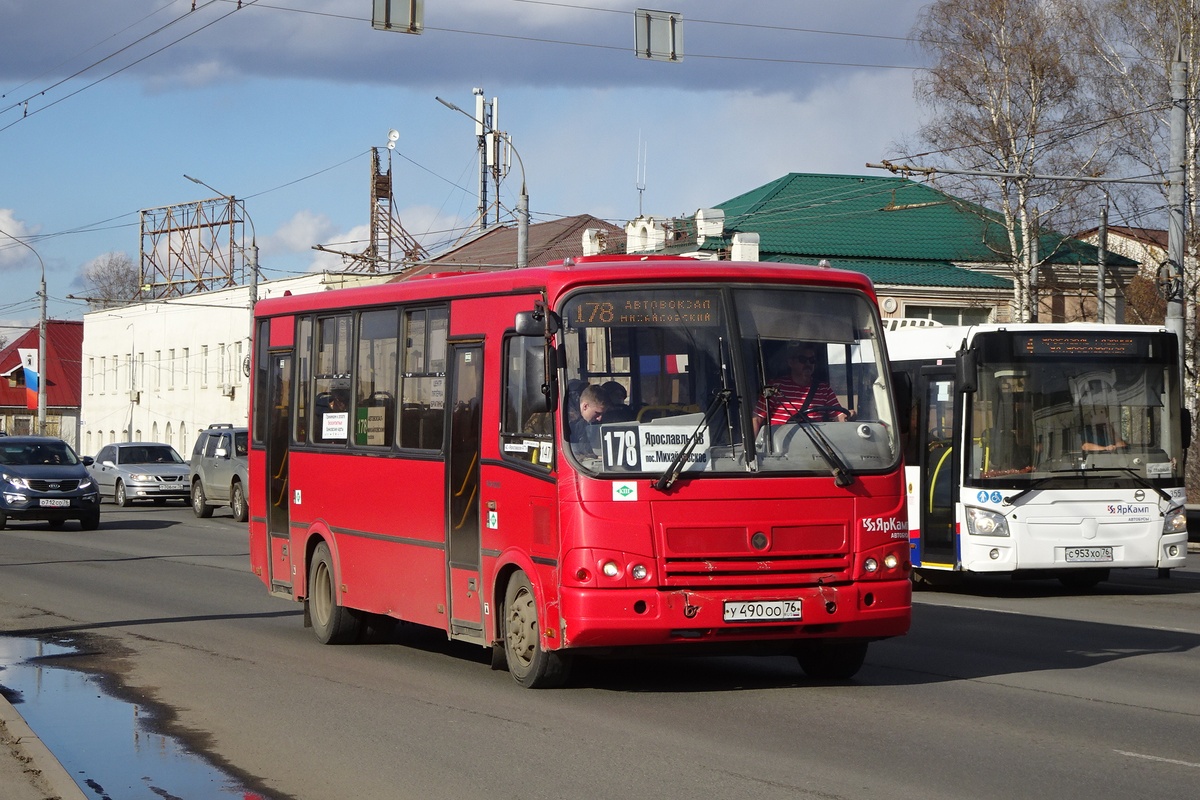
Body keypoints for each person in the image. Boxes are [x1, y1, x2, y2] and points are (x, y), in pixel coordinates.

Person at [752, 342, 852, 436]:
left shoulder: (824, 389)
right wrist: (753, 451)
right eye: (803, 360)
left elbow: (839, 417)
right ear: (791, 362)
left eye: (812, 360)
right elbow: (756, 419)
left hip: (816, 444)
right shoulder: (775, 387)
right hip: (781, 447)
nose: (808, 364)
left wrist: (849, 416)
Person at [570, 384, 607, 455]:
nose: (599, 418)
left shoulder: (590, 422)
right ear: (585, 406)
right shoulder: (568, 420)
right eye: (597, 413)